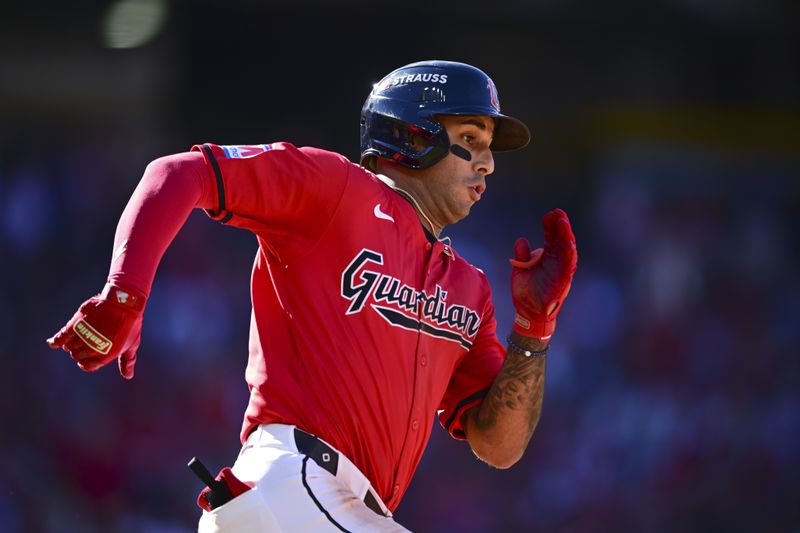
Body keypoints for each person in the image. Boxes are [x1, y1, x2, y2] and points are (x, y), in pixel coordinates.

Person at [47, 60, 577, 532]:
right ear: (414, 136)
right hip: (293, 483)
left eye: (489, 149)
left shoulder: (470, 287)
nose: (486, 163)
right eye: (471, 138)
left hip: (344, 509)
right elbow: (177, 173)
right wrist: (124, 294)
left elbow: (499, 446)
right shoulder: (335, 187)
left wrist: (535, 324)